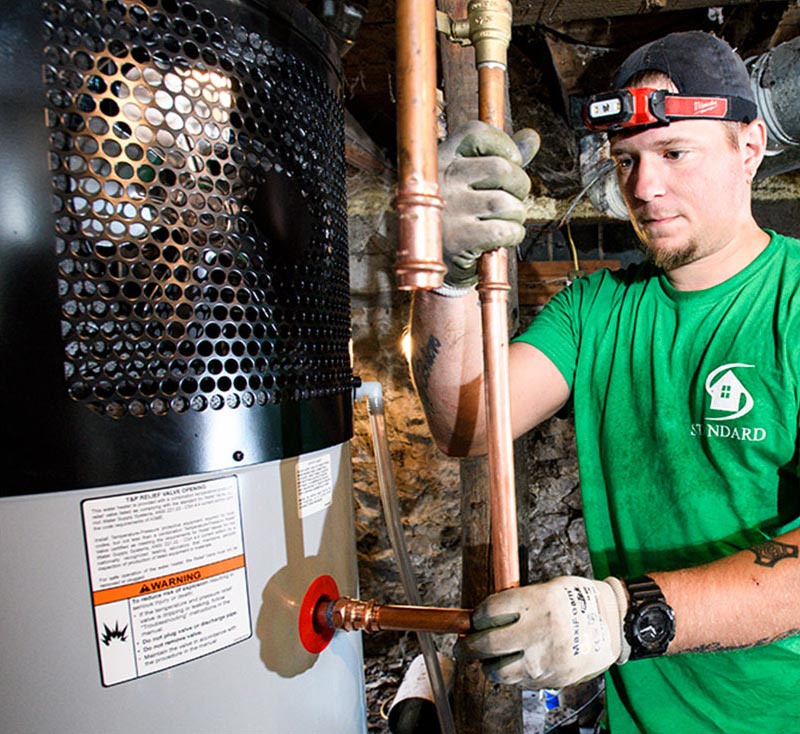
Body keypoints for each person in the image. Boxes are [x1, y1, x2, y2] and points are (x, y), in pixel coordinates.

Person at [410, 31, 800, 733]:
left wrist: (623, 615)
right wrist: (444, 271)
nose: (643, 188)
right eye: (627, 159)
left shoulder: (793, 302)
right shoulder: (595, 310)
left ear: (749, 147)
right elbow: (466, 425)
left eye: (674, 152)